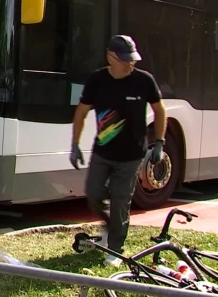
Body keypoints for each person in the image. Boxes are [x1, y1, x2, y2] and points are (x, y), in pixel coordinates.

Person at [71, 34, 167, 267]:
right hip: (103, 152)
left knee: (120, 202)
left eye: (131, 58)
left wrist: (159, 143)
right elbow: (82, 113)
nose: (129, 62)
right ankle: (109, 226)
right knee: (93, 195)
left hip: (132, 156)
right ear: (110, 56)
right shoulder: (97, 80)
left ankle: (116, 250)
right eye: (124, 58)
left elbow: (160, 111)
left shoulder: (144, 80)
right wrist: (75, 145)